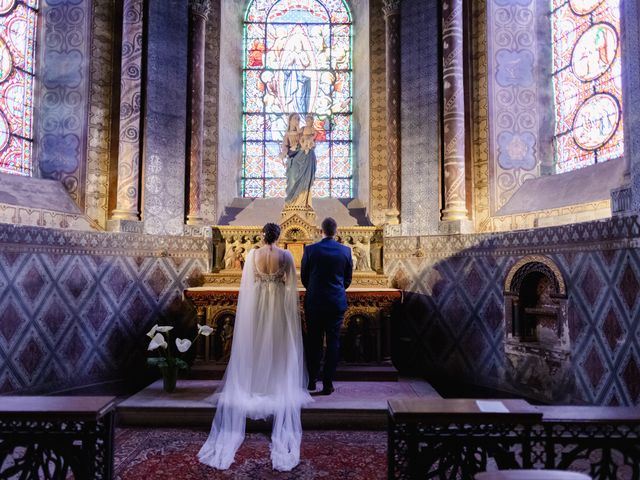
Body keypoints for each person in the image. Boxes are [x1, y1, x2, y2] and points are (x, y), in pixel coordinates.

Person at [198, 223, 312, 471]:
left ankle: (255, 385)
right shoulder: (286, 255)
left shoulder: (252, 255)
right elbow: (292, 284)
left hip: (259, 302)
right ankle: (275, 384)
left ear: (262, 235)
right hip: (278, 304)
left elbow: (247, 284)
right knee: (278, 345)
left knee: (258, 341)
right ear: (278, 236)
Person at [301, 217, 353, 395]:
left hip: (314, 302)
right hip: (336, 302)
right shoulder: (345, 251)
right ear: (335, 231)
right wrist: (336, 290)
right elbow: (348, 279)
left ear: (320, 231)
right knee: (333, 343)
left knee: (313, 342)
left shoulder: (310, 250)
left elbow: (304, 278)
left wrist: (315, 289)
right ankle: (328, 383)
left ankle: (311, 381)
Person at [280, 113, 316, 208]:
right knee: (293, 180)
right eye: (295, 118)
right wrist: (283, 153)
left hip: (303, 158)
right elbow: (285, 146)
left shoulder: (302, 132)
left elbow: (309, 140)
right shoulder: (287, 134)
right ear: (290, 120)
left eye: (299, 119)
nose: (297, 121)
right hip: (293, 159)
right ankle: (292, 203)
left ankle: (302, 203)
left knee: (304, 180)